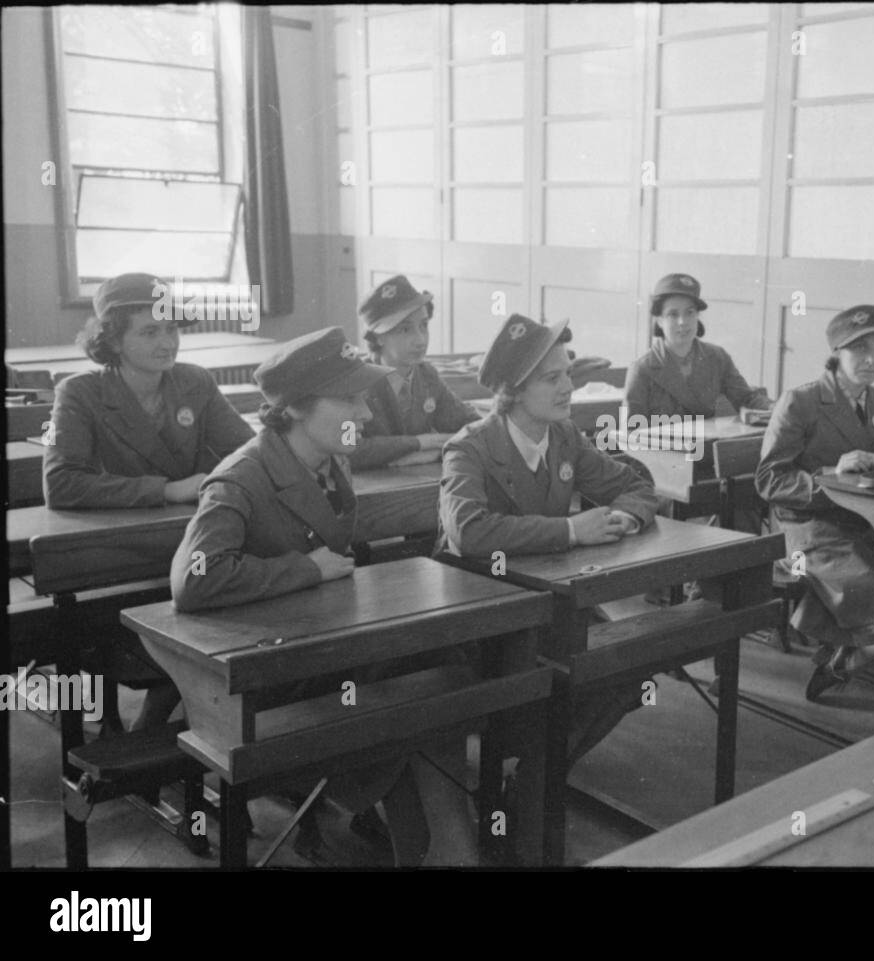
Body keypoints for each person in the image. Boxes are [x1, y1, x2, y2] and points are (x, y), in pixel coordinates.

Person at [170, 326, 474, 865]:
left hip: (325, 652)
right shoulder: (240, 479)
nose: (369, 413)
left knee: (436, 667)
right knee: (420, 685)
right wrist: (306, 569)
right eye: (351, 399)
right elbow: (194, 579)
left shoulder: (332, 459)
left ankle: (432, 845)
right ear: (295, 409)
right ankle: (423, 839)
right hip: (272, 679)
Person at [438, 313, 658, 762]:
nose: (568, 388)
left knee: (632, 669)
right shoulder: (470, 447)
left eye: (569, 375)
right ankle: (534, 775)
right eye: (551, 378)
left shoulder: (564, 436)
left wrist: (623, 519)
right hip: (482, 615)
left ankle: (537, 777)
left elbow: (635, 485)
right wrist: (573, 530)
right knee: (570, 680)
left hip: (550, 600)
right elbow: (470, 531)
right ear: (513, 389)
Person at [42, 273, 254, 732]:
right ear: (112, 339)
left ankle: (165, 729)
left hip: (190, 548)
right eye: (150, 331)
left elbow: (248, 452)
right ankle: (145, 734)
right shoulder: (80, 393)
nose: (167, 342)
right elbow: (61, 483)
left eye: (172, 329)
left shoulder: (194, 382)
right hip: (114, 561)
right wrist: (165, 489)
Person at [756, 306, 874, 702]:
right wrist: (831, 475)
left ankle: (843, 662)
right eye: (859, 349)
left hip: (863, 525)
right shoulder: (801, 401)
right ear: (837, 352)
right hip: (805, 533)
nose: (872, 360)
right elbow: (769, 480)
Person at [349, 275, 479, 471]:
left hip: (412, 482)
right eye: (405, 330)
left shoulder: (426, 375)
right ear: (379, 337)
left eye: (424, 326)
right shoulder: (352, 383)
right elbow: (346, 448)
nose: (420, 340)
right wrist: (419, 443)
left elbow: (471, 426)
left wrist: (434, 451)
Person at [623, 273, 771, 420]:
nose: (682, 321)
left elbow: (746, 399)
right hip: (659, 444)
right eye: (673, 314)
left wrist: (777, 408)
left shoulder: (717, 357)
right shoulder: (642, 369)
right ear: (660, 321)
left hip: (705, 442)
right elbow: (631, 431)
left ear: (697, 316)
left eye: (690, 312)